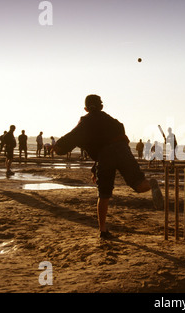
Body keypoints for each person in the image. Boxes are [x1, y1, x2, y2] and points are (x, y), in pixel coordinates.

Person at [52, 94, 164, 239]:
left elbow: (72, 137)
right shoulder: (114, 122)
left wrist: (58, 147)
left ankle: (103, 230)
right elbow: (112, 142)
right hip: (123, 150)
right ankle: (151, 183)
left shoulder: (85, 121)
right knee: (138, 184)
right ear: (102, 107)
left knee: (104, 194)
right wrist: (95, 167)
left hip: (106, 156)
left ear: (86, 108)